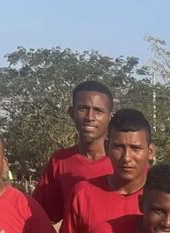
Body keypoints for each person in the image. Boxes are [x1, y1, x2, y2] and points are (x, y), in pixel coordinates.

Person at [32, 80, 116, 225]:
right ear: (72, 113)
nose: (90, 117)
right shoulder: (60, 161)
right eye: (83, 108)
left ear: (110, 117)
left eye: (98, 111)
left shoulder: (126, 162)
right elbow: (41, 218)